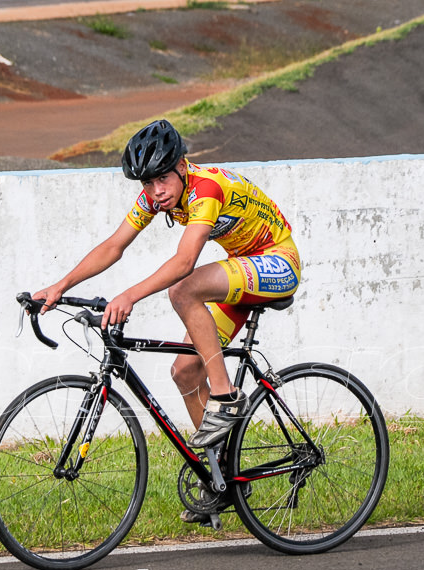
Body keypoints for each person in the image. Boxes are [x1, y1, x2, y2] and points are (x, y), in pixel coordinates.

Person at [34, 119, 301, 454]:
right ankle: (220, 481)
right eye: (148, 182)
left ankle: (225, 396)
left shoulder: (205, 189)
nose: (156, 190)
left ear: (181, 166)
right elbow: (114, 246)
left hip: (277, 262)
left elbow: (184, 262)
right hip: (240, 273)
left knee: (183, 289)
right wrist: (60, 286)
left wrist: (130, 295)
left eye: (162, 178)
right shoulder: (155, 198)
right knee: (185, 372)